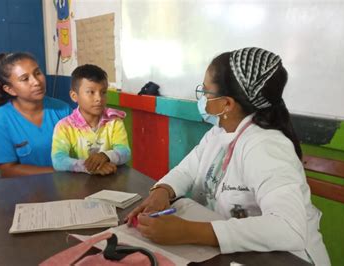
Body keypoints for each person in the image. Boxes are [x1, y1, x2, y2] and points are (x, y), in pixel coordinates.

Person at [126, 47, 330, 265]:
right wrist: (162, 191)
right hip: (242, 254)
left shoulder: (266, 146)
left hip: (286, 259)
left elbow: (289, 228)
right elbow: (188, 169)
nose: (202, 99)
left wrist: (188, 231)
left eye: (205, 92)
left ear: (227, 104)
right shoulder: (220, 133)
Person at [0, 52, 72, 177]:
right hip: (23, 191)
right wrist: (59, 172)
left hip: (68, 186)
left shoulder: (63, 110)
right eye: (25, 79)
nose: (36, 82)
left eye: (37, 73)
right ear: (10, 89)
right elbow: (7, 169)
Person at [51, 64, 130, 175]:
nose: (99, 98)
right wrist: (89, 167)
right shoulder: (64, 126)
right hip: (77, 185)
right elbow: (58, 160)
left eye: (103, 92)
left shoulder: (114, 121)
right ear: (74, 96)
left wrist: (105, 156)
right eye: (91, 92)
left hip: (110, 181)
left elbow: (125, 152)